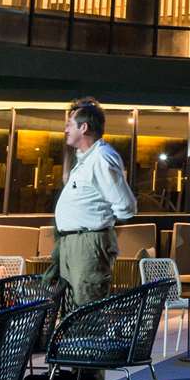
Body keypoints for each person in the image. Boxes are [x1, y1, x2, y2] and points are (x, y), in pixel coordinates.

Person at [52, 96, 134, 310]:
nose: (66, 130)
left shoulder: (101, 158)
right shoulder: (85, 160)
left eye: (70, 124)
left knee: (87, 309)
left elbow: (125, 205)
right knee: (72, 310)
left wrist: (101, 231)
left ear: (84, 127)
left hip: (87, 245)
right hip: (75, 243)